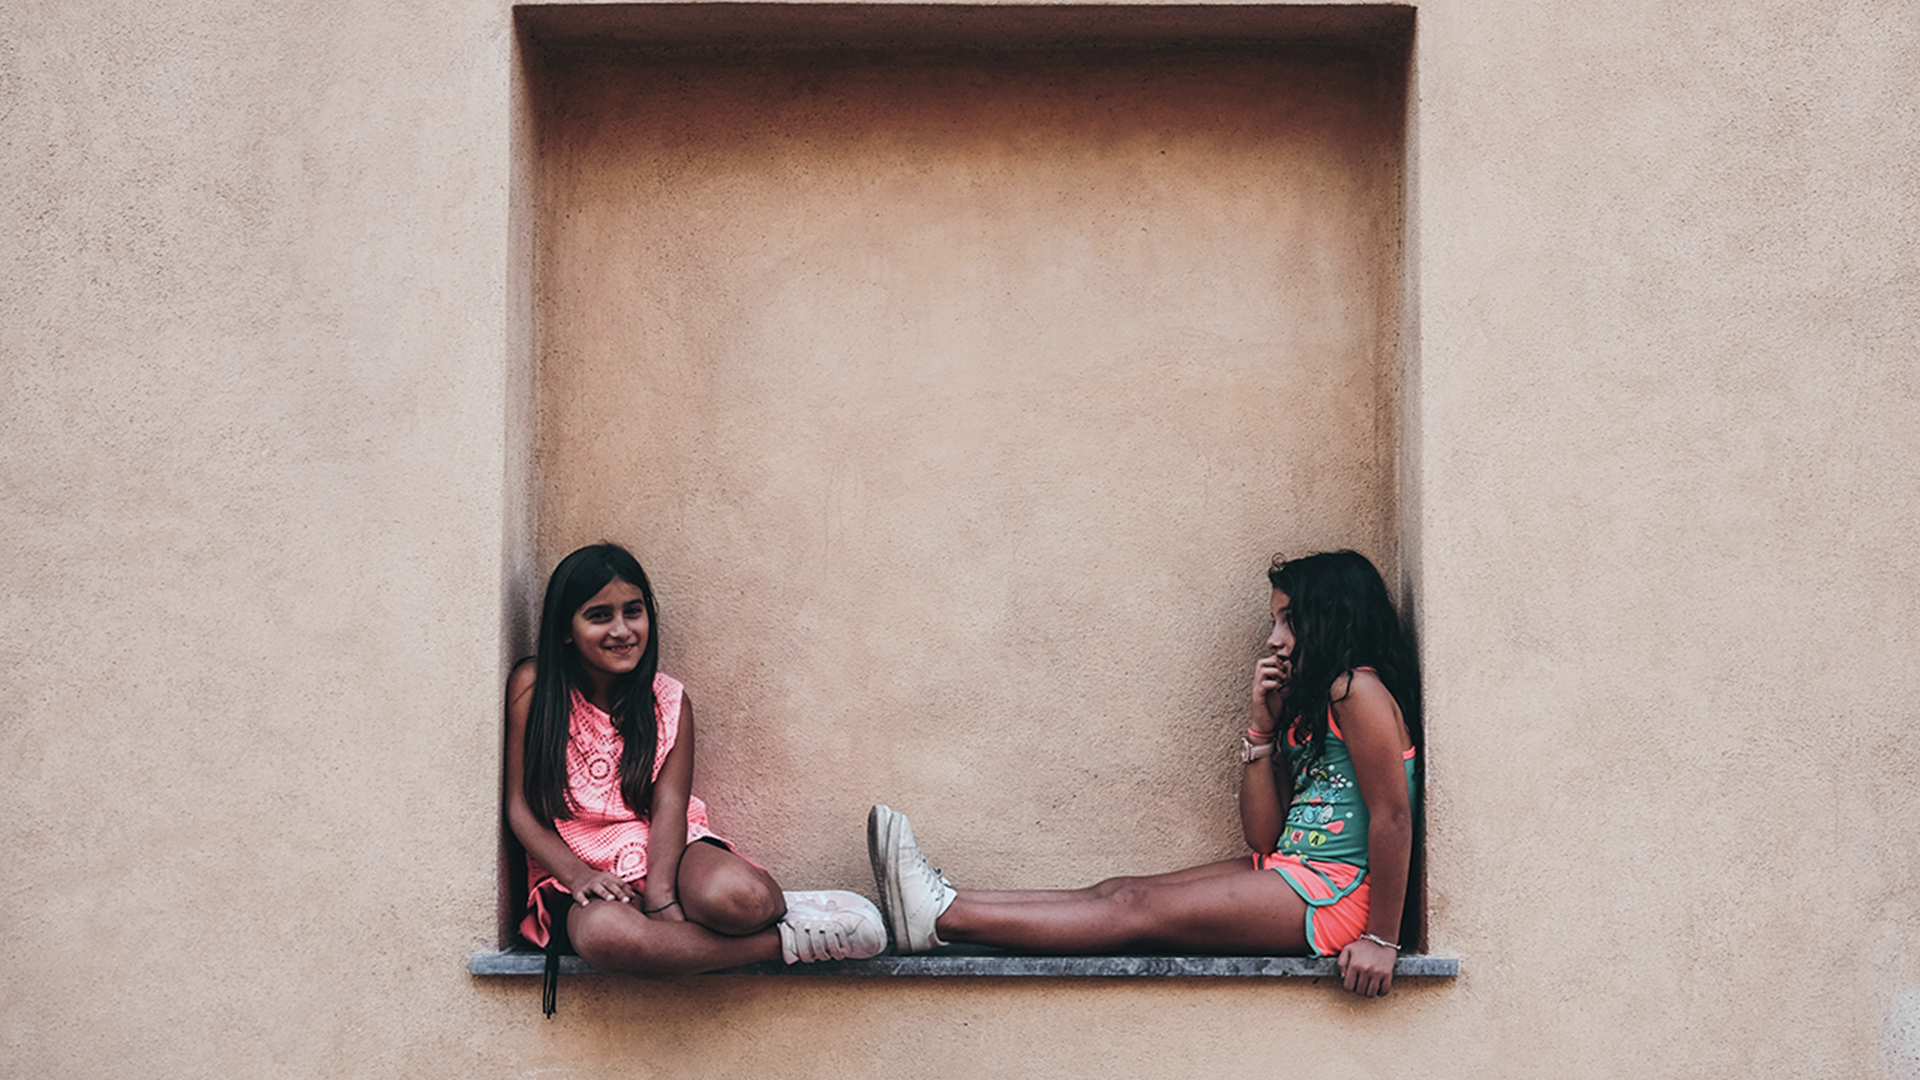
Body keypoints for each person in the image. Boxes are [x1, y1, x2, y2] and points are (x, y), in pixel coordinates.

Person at [868, 550, 1421, 998]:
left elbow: (1393, 817)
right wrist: (1260, 730)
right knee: (1119, 891)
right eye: (1275, 620)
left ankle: (945, 918)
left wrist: (1380, 939)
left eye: (1290, 621)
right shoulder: (1316, 707)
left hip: (1341, 895)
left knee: (1135, 912)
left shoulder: (1358, 690)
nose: (1274, 638)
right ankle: (944, 903)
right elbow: (1264, 839)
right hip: (1296, 872)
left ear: (1335, 619)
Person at [507, 543, 884, 1012]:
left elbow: (669, 806)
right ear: (566, 630)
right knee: (611, 937)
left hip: (668, 850)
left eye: (633, 612)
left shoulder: (667, 700)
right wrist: (578, 874)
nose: (622, 630)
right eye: (599, 616)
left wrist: (662, 899)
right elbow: (519, 807)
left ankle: (784, 911)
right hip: (577, 871)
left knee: (742, 900)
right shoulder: (535, 687)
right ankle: (790, 943)